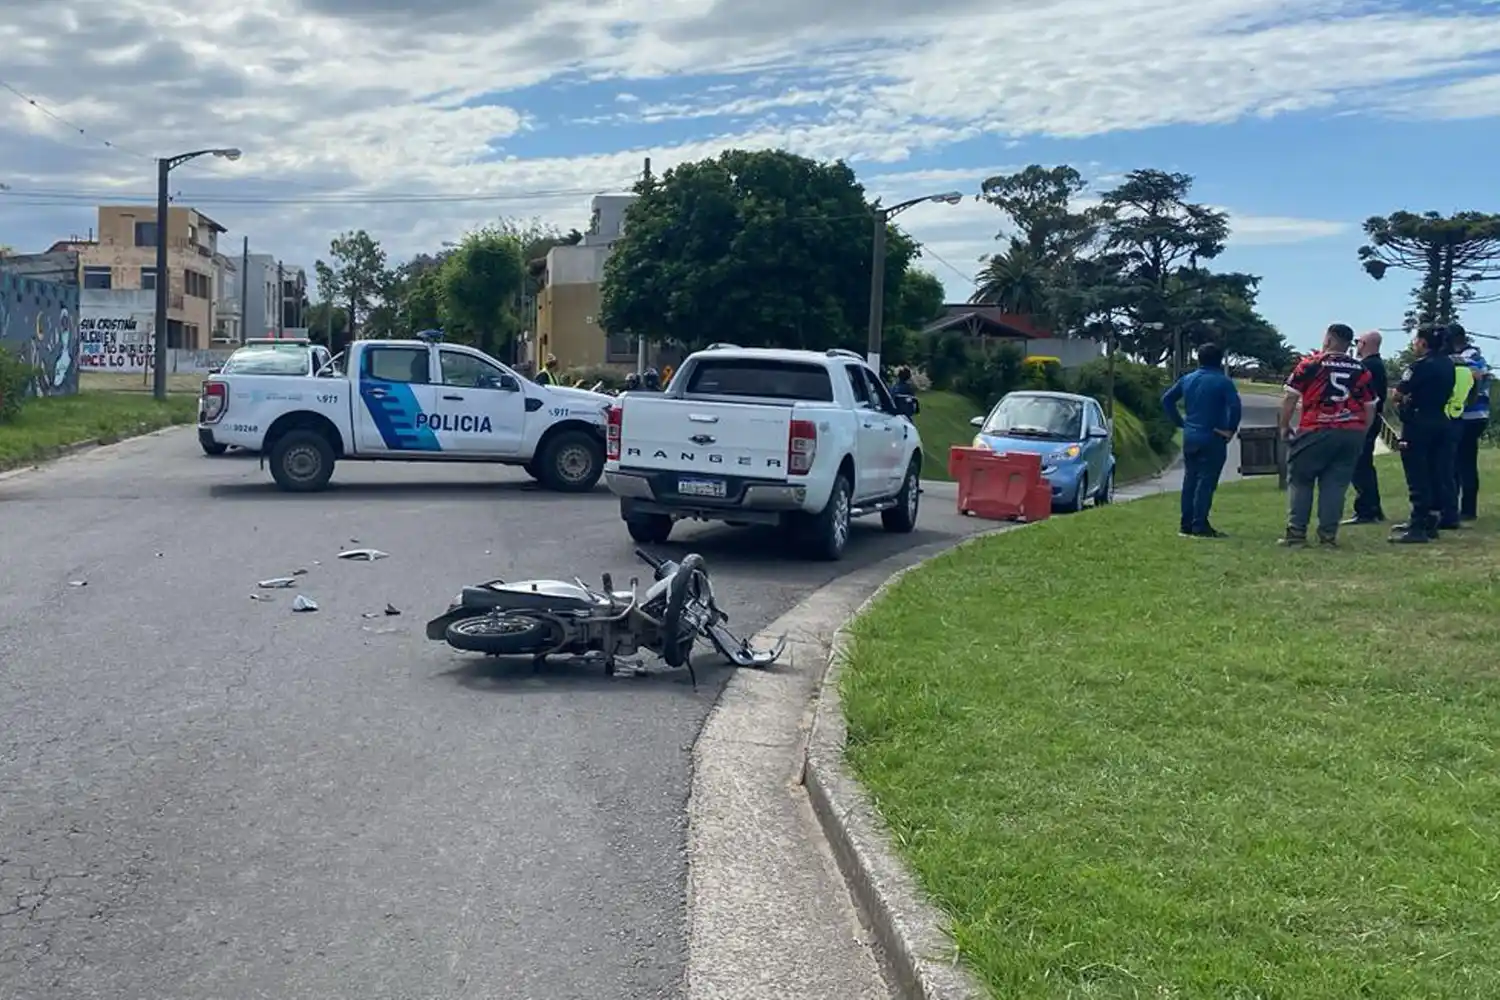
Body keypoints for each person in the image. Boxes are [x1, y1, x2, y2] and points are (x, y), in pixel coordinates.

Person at [1277, 323, 1376, 547]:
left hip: (1316, 428)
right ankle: (1328, 535)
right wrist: (1362, 432)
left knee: (1301, 480)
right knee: (1336, 484)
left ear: (1329, 340)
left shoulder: (1311, 365)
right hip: (1351, 431)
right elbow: (1370, 406)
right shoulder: (1361, 370)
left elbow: (1291, 398)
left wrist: (1284, 426)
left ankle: (1296, 532)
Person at [1161, 342, 1242, 538]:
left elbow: (1167, 399)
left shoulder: (1187, 379)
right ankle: (1200, 525)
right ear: (1220, 360)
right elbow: (1235, 407)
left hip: (1191, 436)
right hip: (1213, 436)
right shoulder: (1223, 382)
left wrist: (1180, 422)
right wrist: (1230, 430)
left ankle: (1186, 524)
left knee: (1190, 480)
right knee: (1206, 482)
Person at [1389, 325, 1457, 544]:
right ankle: (1431, 521)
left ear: (1424, 343)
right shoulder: (1448, 364)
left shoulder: (1419, 366)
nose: (1414, 344)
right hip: (1441, 421)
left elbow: (1398, 394)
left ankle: (1418, 524)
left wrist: (1403, 400)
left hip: (1418, 424)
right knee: (1436, 473)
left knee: (1417, 475)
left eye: (1416, 340)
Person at [1342, 330, 1389, 525]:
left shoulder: (1367, 367)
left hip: (1365, 419)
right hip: (1372, 418)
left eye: (1358, 342)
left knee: (1360, 465)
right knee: (1364, 464)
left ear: (1364, 344)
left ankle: (1366, 509)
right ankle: (1372, 507)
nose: (1356, 346)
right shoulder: (1377, 365)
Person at [1448, 324, 1491, 520]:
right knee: (1462, 462)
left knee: (1461, 462)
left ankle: (1463, 509)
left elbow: (1476, 375)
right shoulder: (1474, 355)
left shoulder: (1468, 356)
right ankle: (1462, 507)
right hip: (1474, 414)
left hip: (1469, 414)